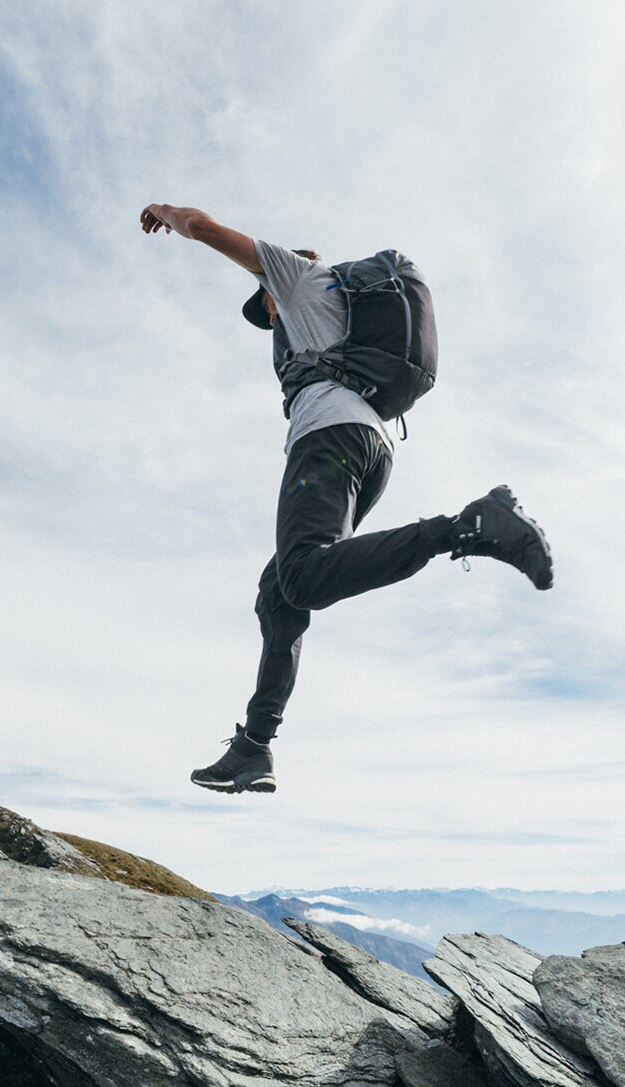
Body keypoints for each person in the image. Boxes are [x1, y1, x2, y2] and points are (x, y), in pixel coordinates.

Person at [139, 203, 555, 795]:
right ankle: (254, 748)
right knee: (280, 592)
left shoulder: (297, 277)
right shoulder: (334, 313)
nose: (265, 314)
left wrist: (166, 212)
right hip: (370, 442)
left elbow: (204, 228)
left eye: (263, 304)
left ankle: (465, 527)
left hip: (330, 436)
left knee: (304, 578)